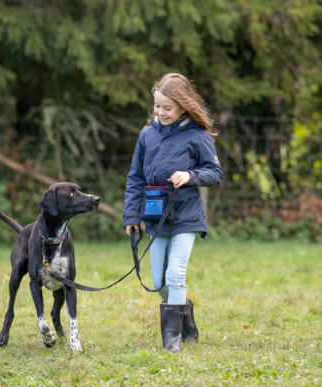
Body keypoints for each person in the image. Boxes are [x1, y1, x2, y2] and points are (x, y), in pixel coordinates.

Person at [123, 73, 224, 353]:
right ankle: (184, 310)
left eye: (167, 107)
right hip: (156, 218)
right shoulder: (147, 135)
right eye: (157, 106)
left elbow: (215, 173)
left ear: (182, 107)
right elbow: (135, 178)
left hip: (186, 217)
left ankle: (172, 342)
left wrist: (190, 175)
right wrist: (131, 216)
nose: (160, 112)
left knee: (175, 274)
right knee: (159, 282)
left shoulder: (197, 135)